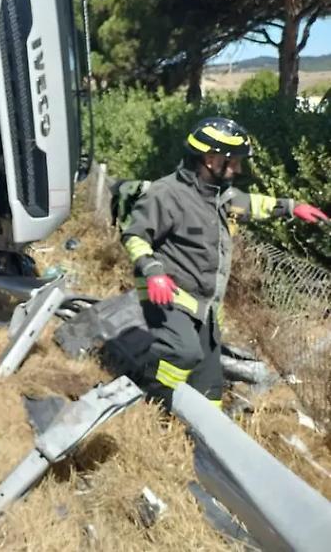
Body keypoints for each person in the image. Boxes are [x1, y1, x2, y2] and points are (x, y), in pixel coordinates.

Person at [120, 116, 327, 408]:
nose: (239, 169)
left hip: (206, 307)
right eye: (233, 162)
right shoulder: (166, 194)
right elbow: (135, 235)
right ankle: (152, 402)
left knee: (210, 386)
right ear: (209, 158)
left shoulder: (222, 198)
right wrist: (153, 272)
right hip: (169, 296)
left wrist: (293, 207)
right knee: (182, 353)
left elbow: (255, 204)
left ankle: (201, 433)